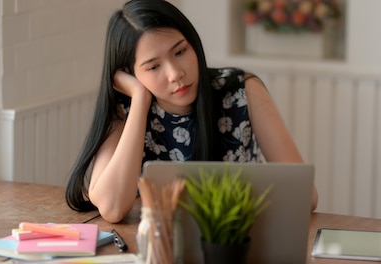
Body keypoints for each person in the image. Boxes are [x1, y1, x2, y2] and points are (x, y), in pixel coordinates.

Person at [65, 0, 318, 223]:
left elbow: (306, 197)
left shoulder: (242, 90)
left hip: (234, 240)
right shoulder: (125, 109)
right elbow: (112, 208)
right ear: (131, 74)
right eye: (153, 67)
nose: (176, 73)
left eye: (180, 51)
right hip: (161, 246)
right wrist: (140, 100)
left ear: (193, 43)